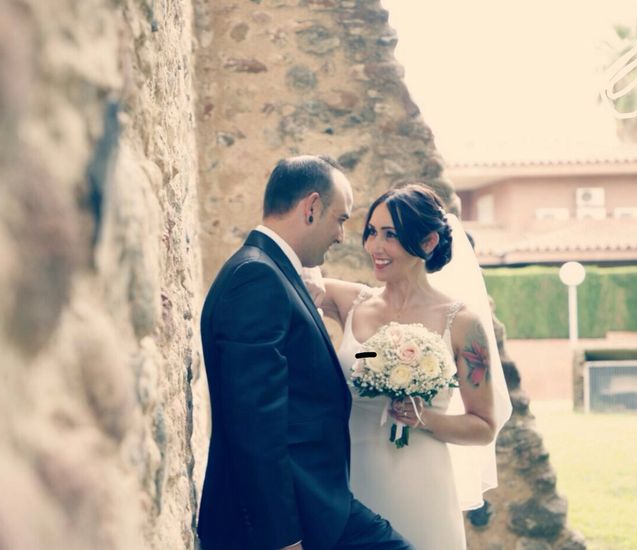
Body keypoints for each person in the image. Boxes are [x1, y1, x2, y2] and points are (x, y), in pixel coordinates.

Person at [197, 155, 413, 550]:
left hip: (320, 505)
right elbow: (254, 421)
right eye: (341, 219)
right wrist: (282, 537)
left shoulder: (271, 270)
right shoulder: (258, 277)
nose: (342, 236)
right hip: (290, 518)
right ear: (311, 208)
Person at [304, 183, 512, 550]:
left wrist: (423, 419)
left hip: (422, 481)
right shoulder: (349, 301)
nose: (375, 247)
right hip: (352, 478)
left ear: (428, 243)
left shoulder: (462, 323)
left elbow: (483, 426)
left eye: (391, 235)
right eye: (371, 232)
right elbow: (288, 278)